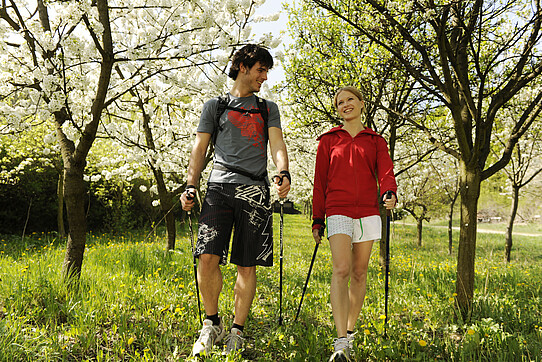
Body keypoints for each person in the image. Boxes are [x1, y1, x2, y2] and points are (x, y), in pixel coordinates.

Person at [180, 44, 290, 357]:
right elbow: (199, 150)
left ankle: (237, 331)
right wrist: (191, 185)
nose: (264, 77)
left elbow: (277, 144)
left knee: (246, 264)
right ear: (243, 66)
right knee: (207, 257)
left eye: (267, 71)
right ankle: (212, 323)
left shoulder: (268, 108)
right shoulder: (215, 106)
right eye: (260, 69)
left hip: (255, 191)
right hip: (218, 187)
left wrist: (283, 171)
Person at [311, 86, 397, 362]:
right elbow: (320, 181)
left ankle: (350, 331)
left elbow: (385, 171)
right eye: (339, 102)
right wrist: (317, 217)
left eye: (350, 100)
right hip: (338, 209)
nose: (345, 105)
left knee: (359, 273)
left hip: (369, 213)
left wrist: (389, 192)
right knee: (341, 269)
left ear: (362, 103)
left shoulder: (375, 141)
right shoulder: (328, 140)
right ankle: (340, 342)